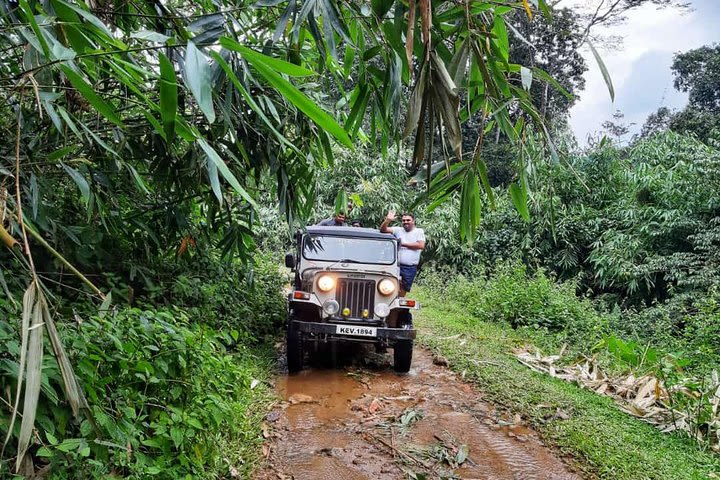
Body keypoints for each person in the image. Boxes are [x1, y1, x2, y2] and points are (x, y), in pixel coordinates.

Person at [379, 210, 425, 296]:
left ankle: (398, 306)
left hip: (409, 267)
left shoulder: (419, 231)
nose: (405, 222)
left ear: (413, 221)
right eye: (403, 220)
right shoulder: (398, 230)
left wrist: (401, 244)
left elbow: (420, 245)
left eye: (408, 220)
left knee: (403, 289)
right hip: (396, 265)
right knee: (389, 286)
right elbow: (383, 230)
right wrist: (388, 220)